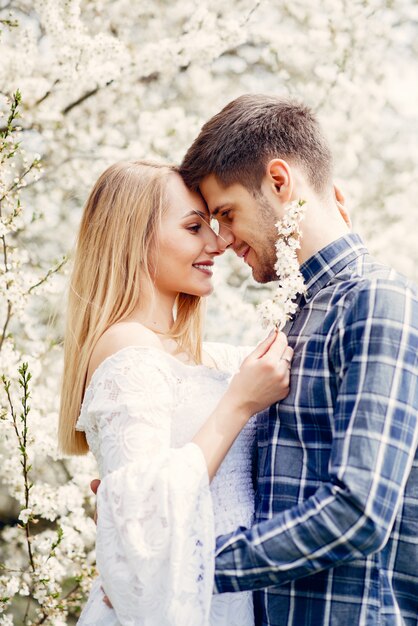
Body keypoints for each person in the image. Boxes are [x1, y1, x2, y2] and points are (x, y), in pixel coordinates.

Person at [179, 94, 418, 626]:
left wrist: (190, 565)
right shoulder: (293, 314)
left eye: (226, 213)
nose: (222, 240)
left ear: (280, 182)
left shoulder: (377, 302)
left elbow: (359, 511)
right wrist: (153, 482)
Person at [58, 159, 294, 626]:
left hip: (230, 596)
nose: (216, 243)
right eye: (193, 228)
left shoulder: (205, 357)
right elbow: (143, 520)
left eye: (212, 225)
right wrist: (238, 404)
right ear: (132, 237)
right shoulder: (125, 347)